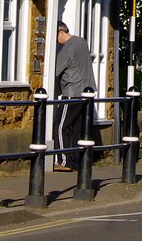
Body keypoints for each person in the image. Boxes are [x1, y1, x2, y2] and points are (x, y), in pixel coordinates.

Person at [53, 21, 97, 171]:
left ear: (61, 33)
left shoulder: (68, 47)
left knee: (61, 126)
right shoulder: (82, 42)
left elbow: (55, 69)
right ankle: (76, 162)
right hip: (86, 92)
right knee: (77, 128)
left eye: (55, 37)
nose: (56, 42)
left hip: (72, 92)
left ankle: (64, 162)